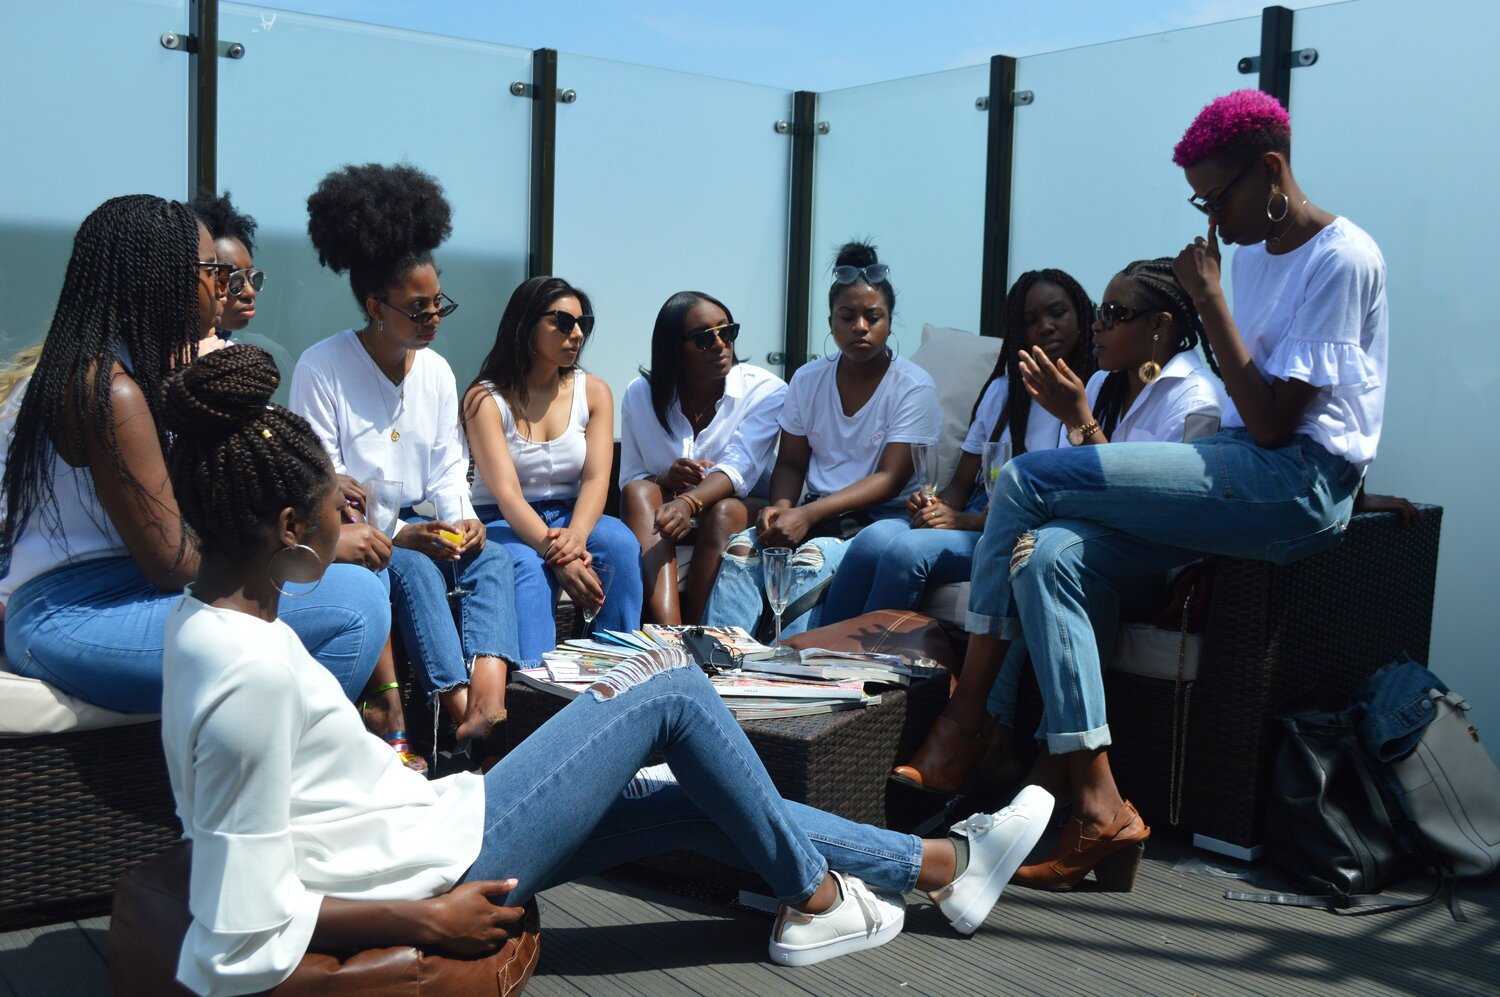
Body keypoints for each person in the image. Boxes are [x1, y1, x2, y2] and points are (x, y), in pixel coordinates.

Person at [156, 344, 1058, 995]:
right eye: (337, 503)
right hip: (447, 862)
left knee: (687, 794)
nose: (353, 514)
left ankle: (942, 862)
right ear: (288, 527)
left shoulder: (214, 623)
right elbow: (239, 925)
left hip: (437, 823)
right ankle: (821, 896)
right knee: (668, 684)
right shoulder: (247, 673)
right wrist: (426, 920)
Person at [959, 89, 1386, 892]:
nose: (1212, 219)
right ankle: (1100, 805)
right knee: (1049, 555)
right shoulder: (1254, 253)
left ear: (1271, 170)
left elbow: (1273, 426)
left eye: (1218, 197)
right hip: (1236, 467)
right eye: (1201, 202)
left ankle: (968, 718)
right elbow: (1245, 414)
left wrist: (1210, 300)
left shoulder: (1341, 258)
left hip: (1294, 480)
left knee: (1026, 478)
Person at [0, 194, 387, 713]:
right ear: (162, 278)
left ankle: (253, 752)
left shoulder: (132, 369)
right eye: (213, 271)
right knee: (355, 604)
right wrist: (314, 548)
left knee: (357, 587)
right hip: (75, 613)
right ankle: (279, 759)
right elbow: (173, 562)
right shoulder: (112, 390)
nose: (224, 286)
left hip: (120, 594)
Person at [901, 257, 1227, 795]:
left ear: (1159, 326)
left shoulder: (1195, 400)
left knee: (1045, 551)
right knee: (1041, 555)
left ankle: (978, 724)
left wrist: (1079, 419)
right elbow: (1065, 489)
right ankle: (1018, 753)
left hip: (1152, 564)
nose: (1097, 325)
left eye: (1114, 314)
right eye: (1100, 312)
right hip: (1084, 548)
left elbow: (1157, 515)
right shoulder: (1102, 383)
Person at [290, 164, 516, 743]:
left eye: (439, 303)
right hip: (360, 537)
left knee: (492, 558)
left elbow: (446, 467)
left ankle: (489, 698)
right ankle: (458, 705)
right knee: (410, 566)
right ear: (375, 306)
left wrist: (461, 520)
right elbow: (324, 481)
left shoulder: (436, 371)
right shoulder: (322, 367)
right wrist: (400, 534)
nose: (433, 318)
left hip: (420, 525)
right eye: (418, 309)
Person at [820, 269, 1095, 625]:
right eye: (1029, 321)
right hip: (977, 514)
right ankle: (819, 650)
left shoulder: (1094, 393)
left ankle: (869, 656)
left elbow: (1063, 502)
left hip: (1020, 530)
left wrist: (966, 521)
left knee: (906, 551)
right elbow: (961, 485)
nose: (1044, 327)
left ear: (1082, 316)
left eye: (1057, 313)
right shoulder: (1003, 391)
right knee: (872, 539)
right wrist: (936, 508)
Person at [702, 242, 942, 637]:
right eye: (847, 317)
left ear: (889, 321)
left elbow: (890, 479)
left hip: (880, 519)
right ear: (831, 321)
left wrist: (809, 516)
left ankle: (792, 664)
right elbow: (791, 462)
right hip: (815, 511)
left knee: (810, 559)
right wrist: (781, 508)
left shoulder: (914, 386)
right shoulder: (808, 379)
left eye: (873, 317)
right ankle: (719, 659)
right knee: (744, 551)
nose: (859, 327)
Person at [464, 276, 644, 660]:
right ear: (526, 324)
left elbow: (596, 478)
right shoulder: (484, 398)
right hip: (501, 519)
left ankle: (617, 669)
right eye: (562, 322)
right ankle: (532, 682)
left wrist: (575, 537)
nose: (576, 334)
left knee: (620, 545)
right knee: (528, 567)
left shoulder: (594, 391)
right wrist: (559, 554)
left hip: (570, 515)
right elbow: (508, 496)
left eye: (583, 324)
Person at [618, 291, 787, 624]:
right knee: (638, 492)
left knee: (722, 511)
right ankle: (670, 632)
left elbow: (739, 469)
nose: (721, 344)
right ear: (674, 348)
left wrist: (688, 503)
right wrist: (665, 481)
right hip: (667, 521)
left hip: (744, 511)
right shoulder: (640, 394)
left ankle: (698, 634)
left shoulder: (765, 390)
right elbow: (630, 477)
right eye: (704, 338)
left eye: (727, 332)